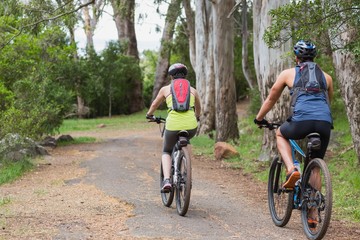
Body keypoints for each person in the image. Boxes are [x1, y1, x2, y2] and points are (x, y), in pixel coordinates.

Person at [254, 40, 333, 228]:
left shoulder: (288, 73)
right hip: (324, 123)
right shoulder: (326, 77)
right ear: (314, 57)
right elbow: (328, 101)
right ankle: (313, 215)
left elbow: (272, 97)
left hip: (301, 121)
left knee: (281, 134)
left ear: (296, 58)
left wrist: (259, 118)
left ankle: (291, 169)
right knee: (314, 167)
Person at [146, 63, 201, 192]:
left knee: (166, 150)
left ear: (171, 77)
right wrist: (196, 117)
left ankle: (166, 180)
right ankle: (187, 170)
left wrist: (149, 115)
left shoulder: (166, 89)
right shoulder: (193, 90)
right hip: (191, 126)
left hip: (172, 126)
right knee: (187, 141)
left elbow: (154, 104)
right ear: (185, 76)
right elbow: (199, 108)